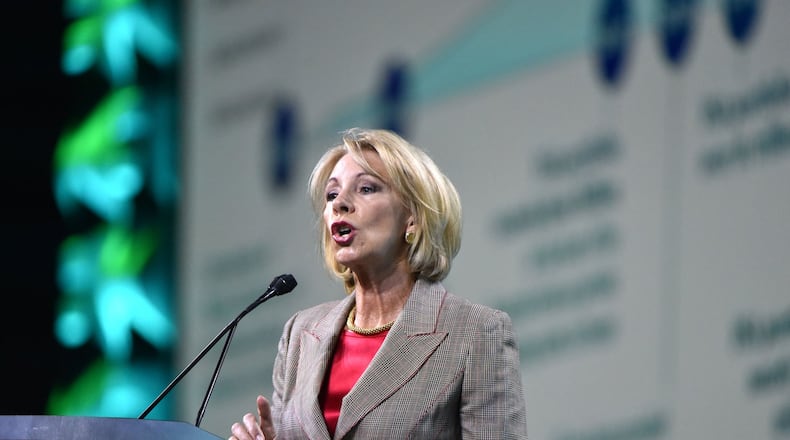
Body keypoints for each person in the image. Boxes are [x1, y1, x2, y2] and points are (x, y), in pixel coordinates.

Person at [229, 128, 527, 439]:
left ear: (412, 217)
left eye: (366, 189)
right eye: (331, 195)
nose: (339, 203)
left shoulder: (477, 332)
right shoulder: (300, 334)